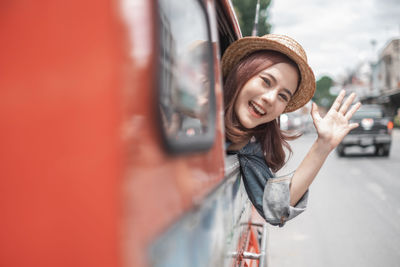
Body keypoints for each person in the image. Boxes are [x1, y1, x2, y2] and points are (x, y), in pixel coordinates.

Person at [221, 34, 361, 226]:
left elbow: (277, 208)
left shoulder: (247, 145)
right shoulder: (196, 104)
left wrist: (323, 145)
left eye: (283, 96)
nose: (270, 98)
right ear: (242, 73)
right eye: (266, 81)